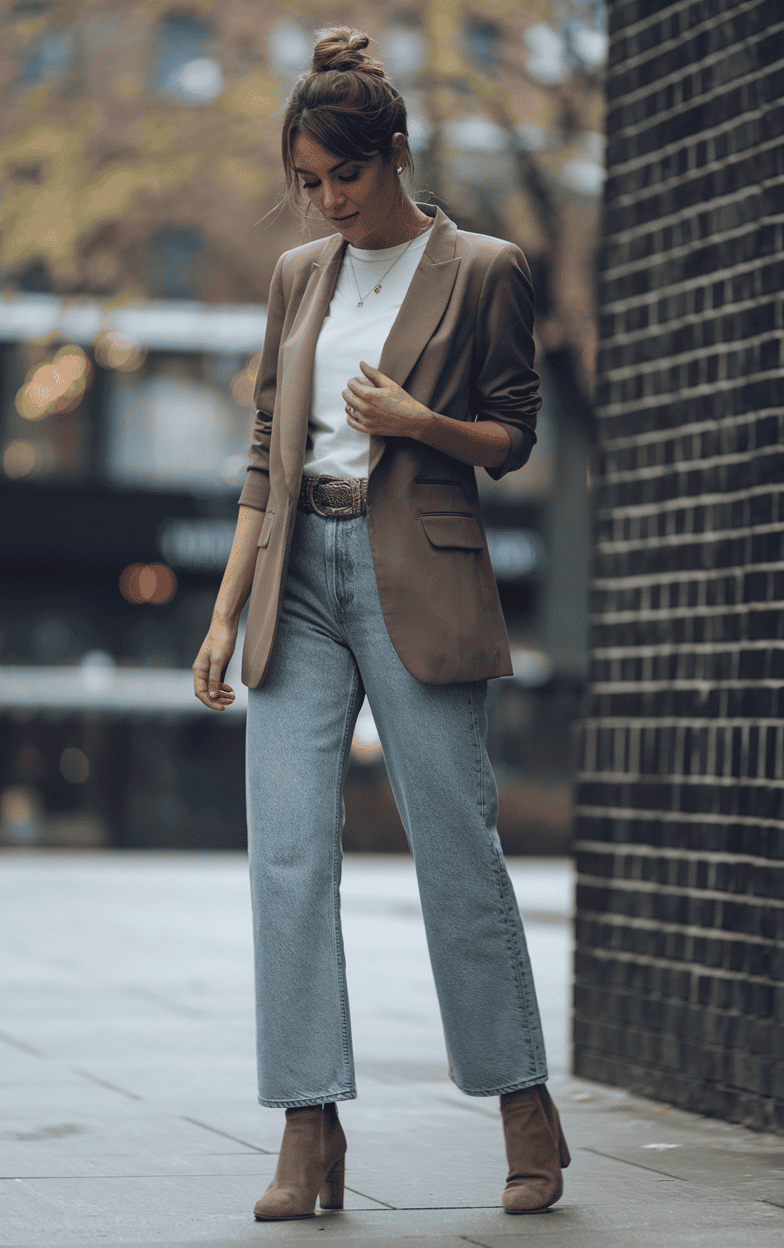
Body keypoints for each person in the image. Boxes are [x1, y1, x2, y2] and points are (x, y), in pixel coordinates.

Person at [193, 26, 570, 1221]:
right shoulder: (299, 277)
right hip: (295, 572)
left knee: (456, 847)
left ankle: (524, 1109)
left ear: (394, 153)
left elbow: (516, 435)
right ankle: (308, 1133)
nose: (324, 201)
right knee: (287, 857)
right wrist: (221, 614)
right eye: (306, 183)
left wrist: (418, 421)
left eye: (340, 177)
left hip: (421, 571)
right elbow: (268, 454)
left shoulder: (487, 268)